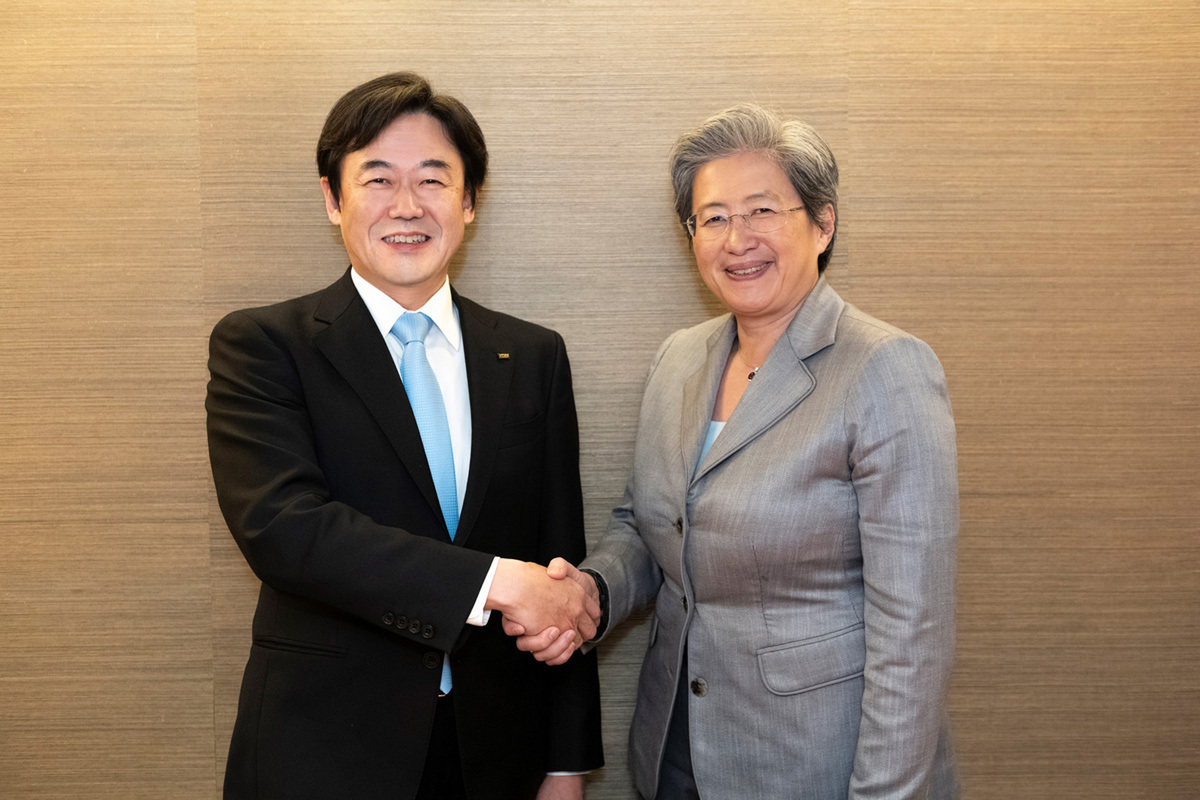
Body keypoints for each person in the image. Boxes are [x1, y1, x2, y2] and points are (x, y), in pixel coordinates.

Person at [518, 105, 960, 799]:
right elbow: (647, 524)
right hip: (674, 750)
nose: (738, 239)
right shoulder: (679, 358)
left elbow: (914, 633)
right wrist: (590, 594)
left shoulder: (884, 368)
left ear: (823, 223)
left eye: (762, 211)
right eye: (714, 217)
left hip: (819, 765)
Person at [206, 72, 602, 800]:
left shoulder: (532, 355)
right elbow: (285, 530)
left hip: (496, 756)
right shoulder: (264, 345)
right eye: (378, 179)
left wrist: (566, 763)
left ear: (470, 201)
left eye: (433, 179)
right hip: (325, 753)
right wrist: (494, 581)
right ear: (333, 198)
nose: (407, 205)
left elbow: (558, 567)